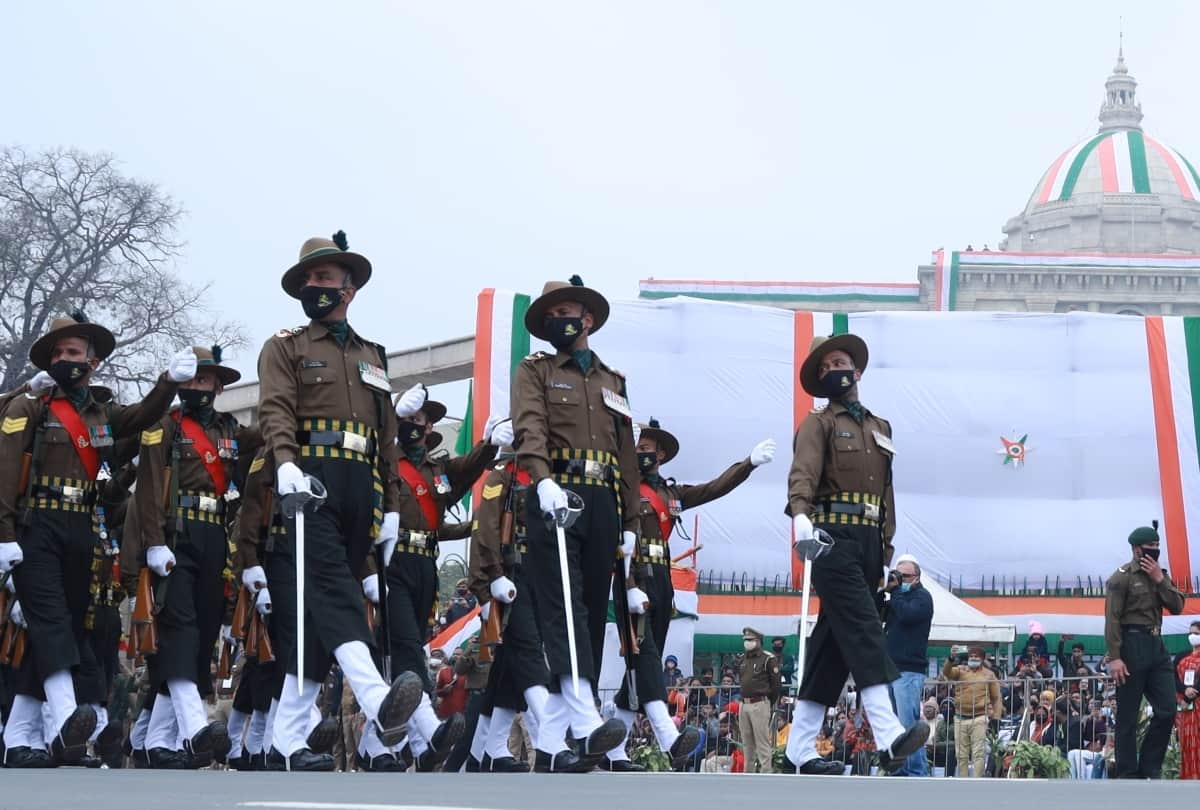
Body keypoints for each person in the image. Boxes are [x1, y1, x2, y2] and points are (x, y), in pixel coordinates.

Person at [254, 231, 423, 771]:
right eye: (307, 280)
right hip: (312, 480)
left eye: (324, 278)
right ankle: (379, 706)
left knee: (314, 616)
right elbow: (276, 409)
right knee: (333, 589)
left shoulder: (373, 356)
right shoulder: (286, 346)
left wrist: (392, 504)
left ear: (349, 287)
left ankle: (286, 741)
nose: (314, 287)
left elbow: (387, 439)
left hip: (362, 488)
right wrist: (285, 463)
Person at [0, 312, 194, 767]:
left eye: (73, 352)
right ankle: (68, 724)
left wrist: (167, 382)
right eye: (58, 353)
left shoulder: (101, 414)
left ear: (94, 361)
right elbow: (6, 473)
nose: (64, 359)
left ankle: (18, 737)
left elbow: (143, 417)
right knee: (49, 621)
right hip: (36, 526)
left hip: (81, 528)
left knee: (63, 626)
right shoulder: (33, 405)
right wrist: (4, 533)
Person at [781, 332, 927, 775]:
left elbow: (887, 493)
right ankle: (888, 736)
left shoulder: (881, 428)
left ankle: (798, 748)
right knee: (864, 629)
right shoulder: (819, 423)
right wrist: (800, 514)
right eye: (824, 369)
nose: (833, 371)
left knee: (832, 647)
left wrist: (885, 549)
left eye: (839, 362)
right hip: (831, 538)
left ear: (857, 370)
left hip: (867, 544)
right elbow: (803, 472)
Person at [510, 275, 635, 772]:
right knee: (564, 609)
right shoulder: (535, 370)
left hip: (603, 498)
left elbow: (626, 454)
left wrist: (631, 520)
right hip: (558, 492)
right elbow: (530, 426)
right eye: (550, 315)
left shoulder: (613, 380)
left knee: (588, 609)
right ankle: (585, 722)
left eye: (567, 312)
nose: (559, 321)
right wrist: (540, 480)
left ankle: (550, 744)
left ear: (587, 318)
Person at [606, 415, 772, 771]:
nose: (642, 453)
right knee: (645, 654)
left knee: (641, 662)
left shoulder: (670, 492)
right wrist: (630, 585)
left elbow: (713, 488)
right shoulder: (623, 485)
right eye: (636, 447)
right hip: (630, 574)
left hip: (662, 577)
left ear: (661, 454)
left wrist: (747, 465)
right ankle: (669, 738)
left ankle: (613, 751)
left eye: (648, 449)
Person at [123, 346, 254, 769]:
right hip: (174, 537)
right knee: (178, 628)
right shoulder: (164, 425)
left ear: (218, 385)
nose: (198, 387)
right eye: (192, 379)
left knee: (199, 634)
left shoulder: (230, 429)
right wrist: (154, 541)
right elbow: (146, 488)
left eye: (205, 380)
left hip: (214, 536)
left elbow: (273, 436)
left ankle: (154, 737)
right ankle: (195, 730)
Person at [382, 386, 504, 771]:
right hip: (390, 561)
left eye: (421, 420)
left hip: (424, 566)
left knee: (410, 644)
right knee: (404, 647)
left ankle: (388, 745)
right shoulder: (384, 460)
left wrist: (488, 445)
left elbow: (466, 471)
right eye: (409, 419)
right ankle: (428, 730)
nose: (415, 425)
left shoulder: (437, 472)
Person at [1103, 524, 1185, 779]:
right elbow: (1112, 618)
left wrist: (1160, 581)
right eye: (1150, 548)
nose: (1154, 552)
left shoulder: (1160, 574)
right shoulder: (1122, 577)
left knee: (1167, 709)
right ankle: (1128, 773)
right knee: (1127, 714)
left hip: (1157, 645)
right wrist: (1115, 657)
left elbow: (1178, 606)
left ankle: (1149, 768)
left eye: (1157, 548)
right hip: (1131, 644)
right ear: (1136, 549)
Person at [883, 554, 933, 776]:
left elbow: (906, 615)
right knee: (894, 725)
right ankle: (899, 769)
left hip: (910, 670)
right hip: (891, 668)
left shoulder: (922, 597)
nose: (900, 580)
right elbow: (877, 612)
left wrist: (894, 592)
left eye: (905, 576)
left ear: (916, 577)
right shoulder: (896, 598)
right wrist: (881, 589)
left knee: (908, 724)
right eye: (897, 575)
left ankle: (916, 770)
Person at [942, 646, 1001, 777]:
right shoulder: (960, 670)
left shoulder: (989, 675)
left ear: (982, 659)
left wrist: (996, 717)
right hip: (959, 717)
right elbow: (946, 672)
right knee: (960, 754)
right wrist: (951, 658)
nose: (973, 658)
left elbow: (996, 698)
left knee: (978, 753)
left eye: (976, 657)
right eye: (971, 656)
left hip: (980, 717)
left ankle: (977, 781)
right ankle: (963, 781)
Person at [737, 627, 779, 774]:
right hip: (744, 704)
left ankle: (766, 773)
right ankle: (748, 773)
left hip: (760, 703)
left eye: (750, 640)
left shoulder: (768, 659)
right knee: (746, 743)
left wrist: (767, 703)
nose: (747, 643)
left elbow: (776, 685)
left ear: (758, 641)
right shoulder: (743, 659)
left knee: (762, 742)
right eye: (745, 640)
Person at [1174, 620, 1200, 779]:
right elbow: (1173, 677)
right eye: (1190, 633)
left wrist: (1192, 693)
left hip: (1196, 702)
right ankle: (1189, 776)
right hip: (1184, 706)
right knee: (1187, 743)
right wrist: (1184, 692)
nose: (1192, 636)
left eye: (1196, 633)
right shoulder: (1181, 655)